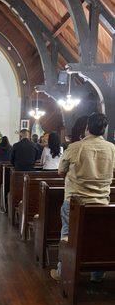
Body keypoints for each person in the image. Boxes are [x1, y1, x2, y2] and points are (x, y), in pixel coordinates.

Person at [50, 113, 115, 282]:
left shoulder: (75, 147)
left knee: (68, 235)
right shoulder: (111, 148)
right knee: (98, 237)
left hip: (75, 200)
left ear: (87, 127)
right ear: (104, 129)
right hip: (101, 202)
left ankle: (63, 271)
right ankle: (97, 274)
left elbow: (60, 172)